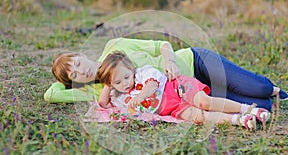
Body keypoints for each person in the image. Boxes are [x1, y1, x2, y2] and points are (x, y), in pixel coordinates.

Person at [45, 37, 288, 111]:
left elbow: (161, 44)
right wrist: (64, 83)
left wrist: (170, 60)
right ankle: (266, 100)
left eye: (77, 62)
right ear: (74, 82)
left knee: (262, 90)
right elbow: (51, 94)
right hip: (189, 91)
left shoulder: (115, 45)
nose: (81, 69)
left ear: (82, 54)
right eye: (74, 74)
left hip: (195, 61)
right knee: (263, 106)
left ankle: (273, 88)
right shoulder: (98, 91)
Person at [97, 52, 271, 130]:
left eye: (126, 77)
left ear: (132, 70)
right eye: (118, 82)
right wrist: (109, 83)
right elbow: (103, 104)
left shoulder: (142, 73)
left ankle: (249, 109)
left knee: (205, 102)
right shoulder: (120, 96)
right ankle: (240, 120)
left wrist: (141, 95)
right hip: (172, 108)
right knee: (199, 117)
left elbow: (153, 86)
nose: (125, 83)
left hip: (178, 88)